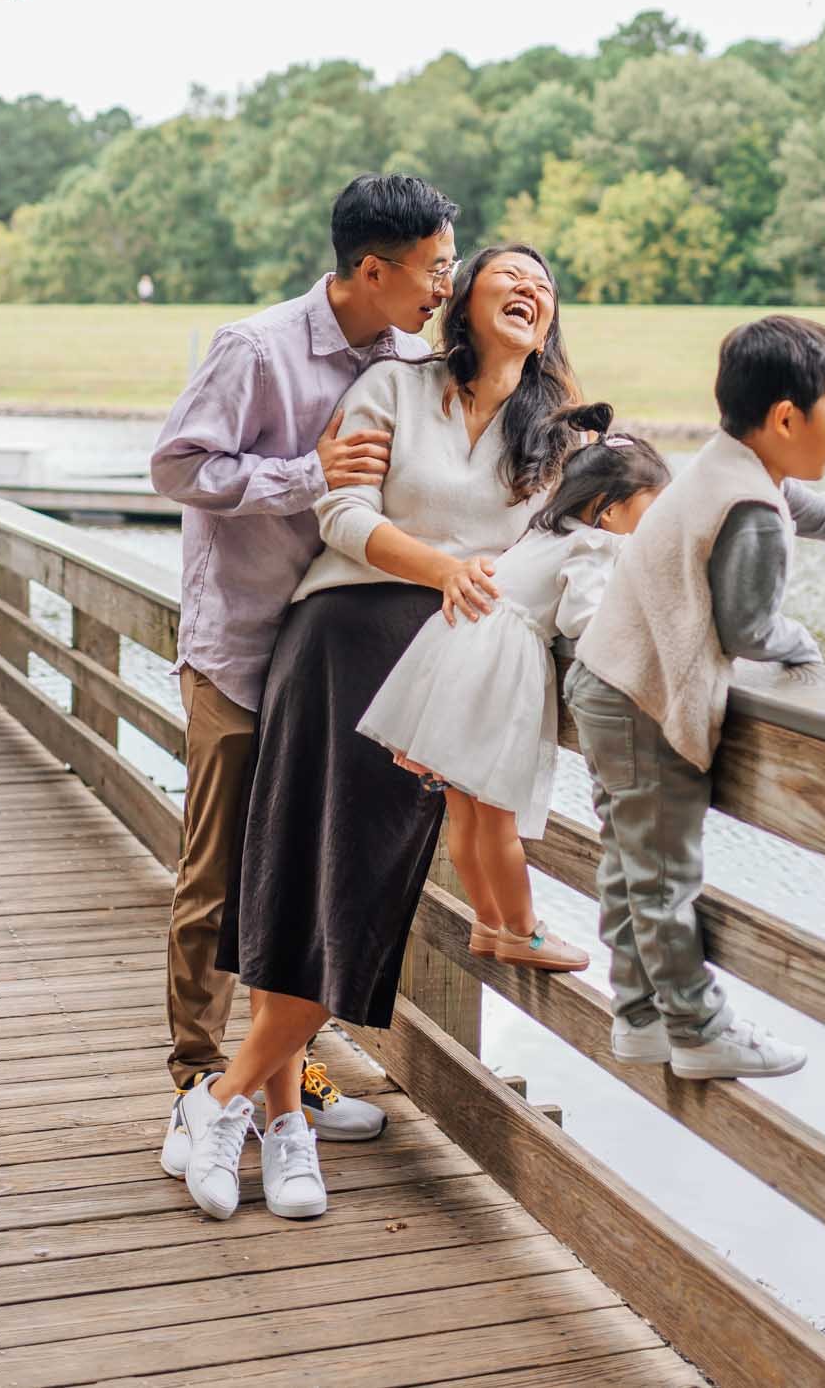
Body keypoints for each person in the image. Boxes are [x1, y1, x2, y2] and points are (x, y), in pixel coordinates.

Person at [176, 244, 588, 1225]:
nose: (528, 289)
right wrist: (442, 566)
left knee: (361, 899)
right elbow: (341, 509)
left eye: (544, 281)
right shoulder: (393, 386)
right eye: (507, 275)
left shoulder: (559, 438)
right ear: (465, 300)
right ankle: (284, 1128)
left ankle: (225, 1103)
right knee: (302, 880)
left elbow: (577, 558)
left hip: (443, 675)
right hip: (338, 643)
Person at [566, 314, 825, 1082]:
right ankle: (697, 1029)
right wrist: (803, 649)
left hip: (607, 681)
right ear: (789, 417)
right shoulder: (750, 505)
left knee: (631, 865)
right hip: (642, 701)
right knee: (663, 874)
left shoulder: (730, 466)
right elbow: (750, 626)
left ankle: (639, 1017)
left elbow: (816, 513)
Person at [149, 173, 459, 1179]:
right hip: (245, 651)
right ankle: (199, 1087)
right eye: (433, 271)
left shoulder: (416, 360)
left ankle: (292, 1082)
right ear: (372, 269)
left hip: (344, 669)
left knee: (305, 878)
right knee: (219, 879)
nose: (442, 291)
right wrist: (306, 475)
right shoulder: (255, 349)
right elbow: (177, 466)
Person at [358, 427, 673, 971]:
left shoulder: (544, 531)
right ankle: (523, 933)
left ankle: (487, 921)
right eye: (654, 507)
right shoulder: (595, 545)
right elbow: (582, 619)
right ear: (610, 511)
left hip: (458, 652)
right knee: (498, 818)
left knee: (465, 813)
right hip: (498, 672)